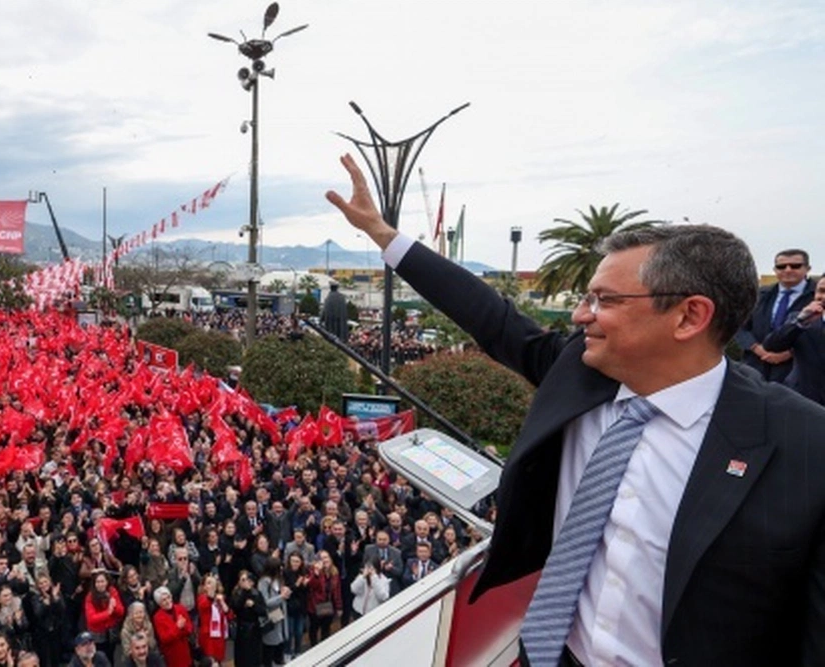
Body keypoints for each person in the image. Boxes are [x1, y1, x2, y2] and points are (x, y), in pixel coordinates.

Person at [328, 153, 825, 665]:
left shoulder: (803, 445)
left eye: (605, 299)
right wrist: (383, 234)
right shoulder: (578, 370)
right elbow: (491, 317)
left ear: (689, 316)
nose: (580, 313)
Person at [734, 248, 815, 382]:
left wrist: (790, 354)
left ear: (808, 268)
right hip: (756, 368)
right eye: (781, 266)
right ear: (775, 270)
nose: (788, 270)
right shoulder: (759, 295)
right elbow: (740, 326)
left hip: (798, 373)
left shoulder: (818, 296)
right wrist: (756, 348)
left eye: (795, 266)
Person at [762, 278, 825, 405]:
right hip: (803, 400)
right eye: (821, 291)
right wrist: (800, 321)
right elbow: (772, 345)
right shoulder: (800, 319)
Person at [148, 588, 191, 667]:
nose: (168, 601)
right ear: (159, 603)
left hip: (185, 651)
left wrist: (182, 628)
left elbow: (189, 628)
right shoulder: (157, 617)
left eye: (168, 597)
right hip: (172, 654)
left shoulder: (180, 608)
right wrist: (177, 627)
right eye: (164, 600)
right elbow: (164, 638)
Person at [193, 575, 228, 665]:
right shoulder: (202, 598)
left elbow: (228, 614)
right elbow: (205, 605)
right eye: (208, 583)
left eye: (212, 582)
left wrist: (223, 603)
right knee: (210, 662)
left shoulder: (220, 598)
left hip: (219, 636)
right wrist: (211, 593)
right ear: (204, 587)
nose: (211, 585)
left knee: (218, 661)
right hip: (208, 637)